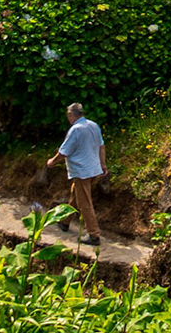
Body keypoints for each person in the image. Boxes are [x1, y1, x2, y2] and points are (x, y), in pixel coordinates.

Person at [45, 103, 106, 243]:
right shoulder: (93, 125)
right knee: (75, 195)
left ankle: (94, 234)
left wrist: (52, 161)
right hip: (94, 169)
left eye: (68, 115)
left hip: (82, 171)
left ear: (71, 115)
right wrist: (103, 164)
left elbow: (64, 151)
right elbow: (101, 146)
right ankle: (65, 222)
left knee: (85, 203)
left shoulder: (76, 129)